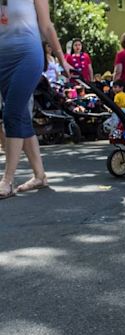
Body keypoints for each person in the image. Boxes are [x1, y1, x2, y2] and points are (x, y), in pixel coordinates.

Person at [0, 0, 72, 199]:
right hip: (3, 60)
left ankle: (7, 180)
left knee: (12, 114)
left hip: (28, 56)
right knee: (21, 116)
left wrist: (62, 59)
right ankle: (39, 176)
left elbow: (47, 26)